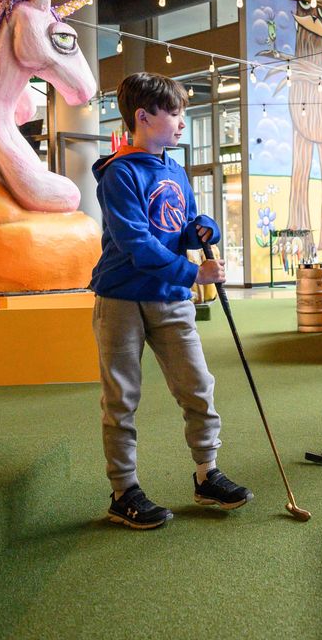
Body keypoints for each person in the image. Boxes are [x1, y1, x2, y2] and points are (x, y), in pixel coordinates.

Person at [91, 72, 253, 530]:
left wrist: (203, 228)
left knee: (198, 386)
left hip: (170, 300)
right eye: (175, 112)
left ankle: (207, 475)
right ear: (143, 117)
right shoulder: (119, 174)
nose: (182, 121)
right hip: (121, 299)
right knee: (121, 398)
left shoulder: (175, 170)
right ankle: (124, 491)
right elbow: (135, 244)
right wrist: (194, 272)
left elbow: (177, 225)